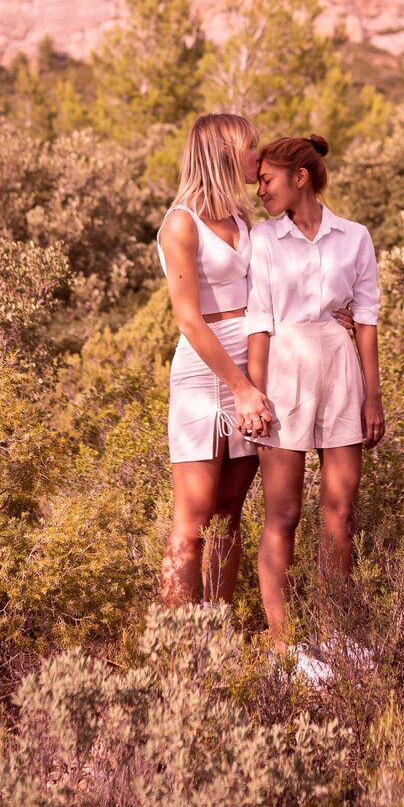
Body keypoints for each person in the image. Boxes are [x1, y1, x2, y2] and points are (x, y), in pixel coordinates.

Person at [247, 134, 385, 655]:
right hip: (283, 367)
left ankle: (337, 637)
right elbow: (258, 319)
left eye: (267, 179)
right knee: (282, 515)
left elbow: (366, 318)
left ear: (298, 177)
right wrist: (255, 395)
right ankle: (284, 648)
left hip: (340, 369)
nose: (259, 189)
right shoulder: (262, 239)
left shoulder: (354, 237)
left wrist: (373, 395)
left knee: (340, 512)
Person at [157, 112, 273, 605]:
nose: (258, 157)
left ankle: (218, 638)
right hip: (205, 378)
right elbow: (189, 320)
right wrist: (241, 389)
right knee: (194, 516)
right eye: (251, 148)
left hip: (251, 369)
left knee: (230, 512)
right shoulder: (181, 224)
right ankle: (178, 650)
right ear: (225, 153)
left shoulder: (244, 219)